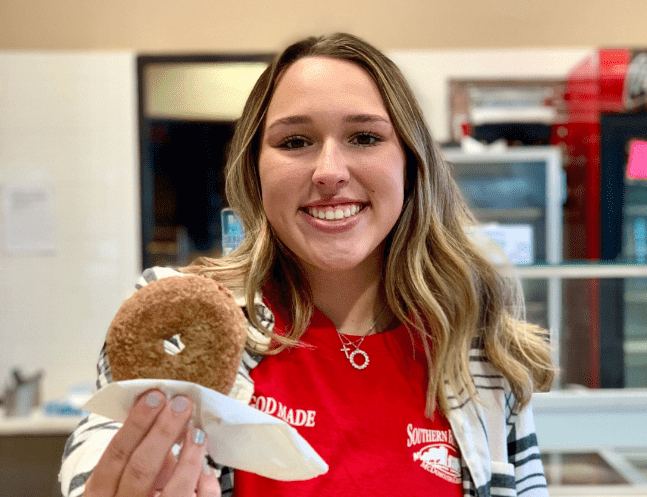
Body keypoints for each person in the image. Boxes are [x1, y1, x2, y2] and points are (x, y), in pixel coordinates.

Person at [60, 33, 555, 497]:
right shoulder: (182, 321)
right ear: (256, 170)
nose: (330, 173)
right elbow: (94, 466)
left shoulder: (476, 343)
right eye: (295, 142)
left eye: (364, 137)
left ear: (411, 161)